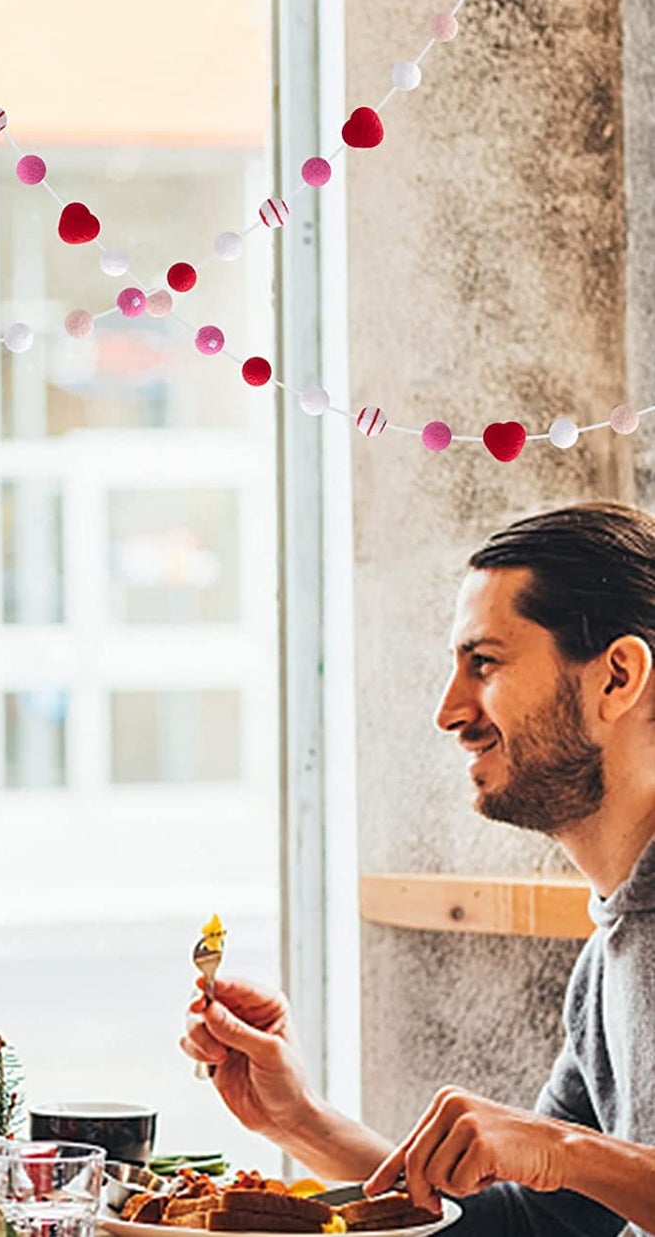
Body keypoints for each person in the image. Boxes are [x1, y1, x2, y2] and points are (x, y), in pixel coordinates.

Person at [182, 502, 655, 1234]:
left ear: (616, 677)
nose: (447, 709)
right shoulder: (610, 956)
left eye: (484, 663)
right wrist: (302, 1122)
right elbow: (537, 1225)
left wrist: (562, 1148)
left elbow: (561, 1168)